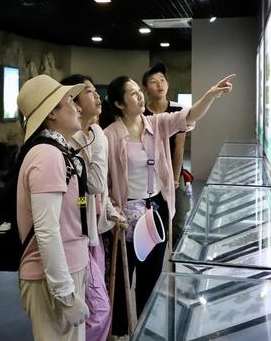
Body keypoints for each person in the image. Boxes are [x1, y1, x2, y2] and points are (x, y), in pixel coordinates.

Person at [104, 73, 234, 337]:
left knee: (151, 274)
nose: (139, 96)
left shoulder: (156, 124)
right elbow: (102, 183)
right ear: (118, 103)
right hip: (124, 214)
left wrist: (210, 94)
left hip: (155, 209)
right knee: (121, 275)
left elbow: (188, 116)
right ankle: (119, 331)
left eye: (138, 91)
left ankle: (145, 326)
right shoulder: (108, 136)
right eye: (131, 93)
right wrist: (112, 212)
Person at [16, 74, 91, 341]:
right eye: (69, 100)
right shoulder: (47, 155)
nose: (78, 106)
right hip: (52, 280)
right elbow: (47, 230)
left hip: (68, 270)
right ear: (51, 114)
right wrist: (66, 295)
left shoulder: (62, 150)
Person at [61, 74, 127, 341]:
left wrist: (110, 210)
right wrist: (99, 134)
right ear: (73, 102)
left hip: (93, 235)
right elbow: (97, 183)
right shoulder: (74, 140)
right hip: (75, 236)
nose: (96, 95)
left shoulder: (89, 135)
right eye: (88, 91)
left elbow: (100, 195)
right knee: (97, 310)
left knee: (94, 308)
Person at [141, 62, 189, 247]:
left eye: (162, 80)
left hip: (172, 173)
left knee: (177, 220)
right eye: (154, 82)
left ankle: (175, 259)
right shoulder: (141, 112)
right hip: (148, 176)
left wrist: (175, 179)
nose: (160, 84)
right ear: (146, 89)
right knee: (153, 219)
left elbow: (179, 147)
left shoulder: (178, 110)